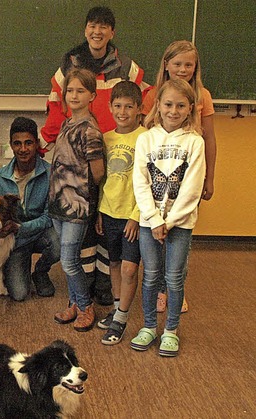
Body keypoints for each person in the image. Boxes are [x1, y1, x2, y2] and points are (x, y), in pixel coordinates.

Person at [41, 6, 150, 307]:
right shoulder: (69, 63)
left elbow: (147, 97)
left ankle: (104, 284)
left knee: (108, 228)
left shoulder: (127, 66)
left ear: (112, 32)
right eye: (92, 25)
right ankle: (86, 284)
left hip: (113, 154)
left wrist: (142, 131)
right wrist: (47, 140)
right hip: (81, 162)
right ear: (85, 29)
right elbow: (54, 105)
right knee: (87, 231)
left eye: (104, 26)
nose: (97, 31)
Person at [130, 79, 205, 357]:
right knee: (150, 276)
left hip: (180, 224)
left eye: (181, 105)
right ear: (158, 106)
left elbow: (192, 187)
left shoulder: (195, 142)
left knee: (174, 279)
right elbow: (140, 181)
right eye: (168, 104)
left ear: (190, 109)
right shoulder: (145, 139)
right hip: (150, 222)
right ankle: (149, 326)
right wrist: (154, 218)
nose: (174, 111)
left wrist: (170, 221)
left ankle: (170, 330)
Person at [142, 40, 218, 314]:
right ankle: (160, 287)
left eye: (189, 64)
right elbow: (146, 137)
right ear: (166, 65)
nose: (183, 69)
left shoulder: (203, 95)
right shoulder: (151, 95)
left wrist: (209, 178)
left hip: (187, 180)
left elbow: (209, 137)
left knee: (179, 238)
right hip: (157, 182)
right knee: (155, 237)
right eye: (177, 64)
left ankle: (172, 288)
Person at [49, 68, 105, 332]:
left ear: (92, 95)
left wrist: (90, 206)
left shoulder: (90, 130)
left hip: (77, 206)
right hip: (60, 203)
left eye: (80, 91)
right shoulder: (66, 122)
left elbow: (98, 173)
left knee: (70, 259)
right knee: (66, 258)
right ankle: (73, 302)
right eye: (69, 90)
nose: (73, 95)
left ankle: (85, 306)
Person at [0, 117, 60, 301]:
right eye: (17, 143)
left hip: (40, 234)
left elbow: (50, 216)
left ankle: (40, 272)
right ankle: (20, 267)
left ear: (37, 144)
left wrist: (21, 228)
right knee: (19, 294)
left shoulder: (51, 173)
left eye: (28, 143)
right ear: (11, 145)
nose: (23, 149)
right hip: (13, 242)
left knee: (59, 240)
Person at [94, 81, 145, 345]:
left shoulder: (146, 138)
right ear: (110, 107)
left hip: (133, 216)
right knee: (113, 263)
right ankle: (116, 308)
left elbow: (149, 181)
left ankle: (122, 319)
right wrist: (101, 211)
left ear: (139, 108)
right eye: (117, 106)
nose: (123, 111)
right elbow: (103, 179)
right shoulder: (106, 138)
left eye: (129, 106)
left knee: (128, 268)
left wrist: (137, 215)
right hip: (110, 212)